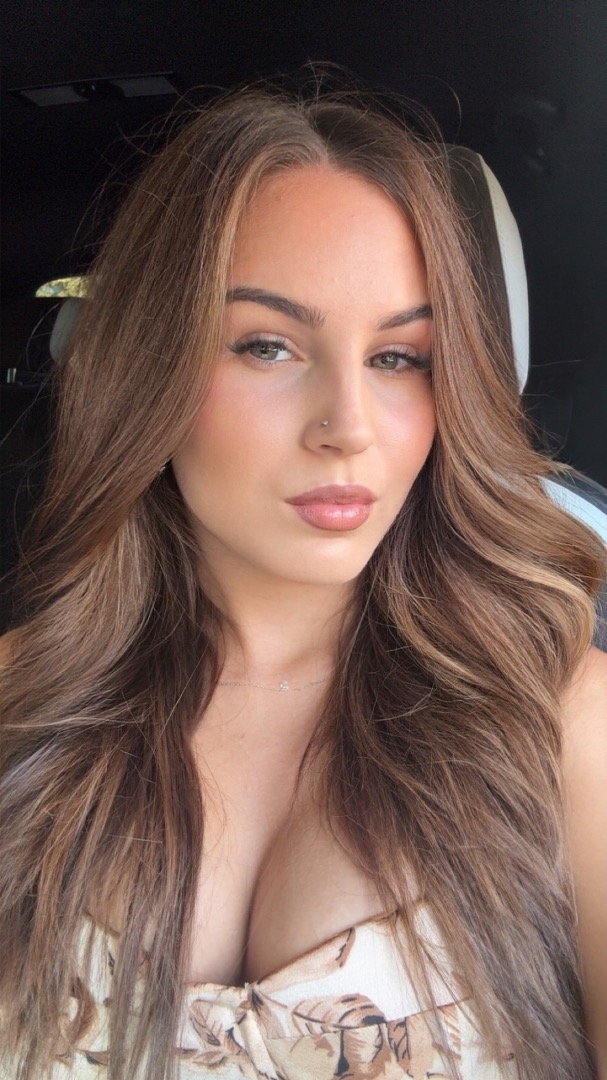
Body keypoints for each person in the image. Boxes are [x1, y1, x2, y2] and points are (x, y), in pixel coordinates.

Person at [1, 83, 606, 1080]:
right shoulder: (17, 701)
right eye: (267, 345)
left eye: (399, 357)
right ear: (148, 366)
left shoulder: (563, 723)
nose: (348, 427)